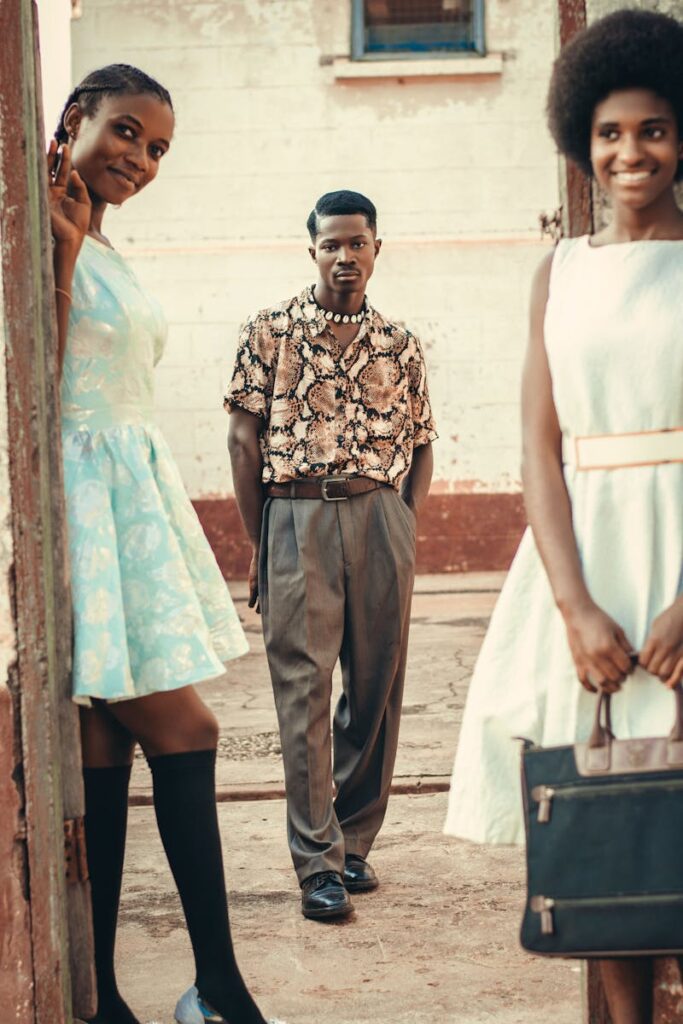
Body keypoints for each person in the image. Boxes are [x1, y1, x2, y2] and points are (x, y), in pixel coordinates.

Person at [444, 9, 683, 1023]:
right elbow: (539, 453)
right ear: (578, 144)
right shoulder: (559, 272)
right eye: (608, 133)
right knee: (604, 830)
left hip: (677, 568)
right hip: (588, 571)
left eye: (654, 129)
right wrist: (575, 606)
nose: (629, 151)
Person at [49, 64, 285, 1024]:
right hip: (78, 511)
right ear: (76, 120)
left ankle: (104, 1000)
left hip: (126, 514)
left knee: (104, 746)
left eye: (157, 149)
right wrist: (60, 255)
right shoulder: (33, 226)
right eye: (126, 132)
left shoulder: (99, 240)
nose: (140, 158)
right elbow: (31, 366)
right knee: (187, 728)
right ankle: (218, 990)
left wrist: (78, 247)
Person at [226, 190, 437, 920]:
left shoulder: (399, 342)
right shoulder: (270, 330)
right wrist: (261, 541)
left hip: (380, 515)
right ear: (310, 249)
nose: (344, 257)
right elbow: (241, 441)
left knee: (375, 685)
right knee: (304, 690)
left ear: (378, 247)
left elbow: (421, 445)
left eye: (357, 243)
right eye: (330, 245)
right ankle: (315, 862)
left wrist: (403, 528)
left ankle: (352, 844)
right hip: (296, 516)